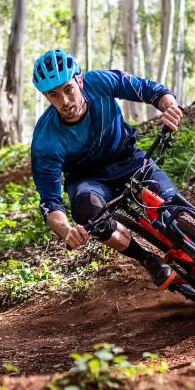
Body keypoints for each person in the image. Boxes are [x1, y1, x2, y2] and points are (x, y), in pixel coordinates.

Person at [31, 49, 185, 290]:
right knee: (86, 210)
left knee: (172, 203)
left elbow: (150, 90)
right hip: (87, 179)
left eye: (68, 89)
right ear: (46, 96)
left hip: (127, 158)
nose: (65, 101)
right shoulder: (45, 140)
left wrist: (170, 107)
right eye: (54, 95)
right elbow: (50, 203)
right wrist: (66, 230)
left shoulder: (100, 82)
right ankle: (146, 258)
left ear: (79, 81)